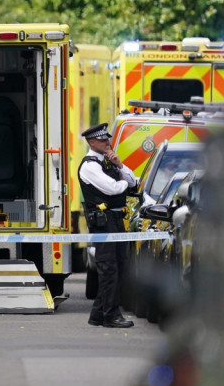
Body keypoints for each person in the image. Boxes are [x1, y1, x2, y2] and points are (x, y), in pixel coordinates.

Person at [78, 122, 139, 328]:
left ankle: (97, 315)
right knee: (109, 269)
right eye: (103, 140)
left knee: (120, 266)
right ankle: (111, 316)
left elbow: (134, 182)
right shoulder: (89, 166)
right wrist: (122, 183)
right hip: (103, 223)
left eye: (108, 139)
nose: (107, 143)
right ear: (92, 142)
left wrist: (120, 166)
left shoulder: (109, 161)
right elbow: (112, 189)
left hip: (115, 220)